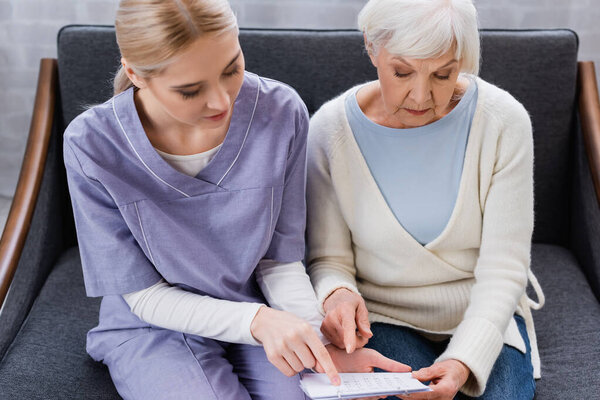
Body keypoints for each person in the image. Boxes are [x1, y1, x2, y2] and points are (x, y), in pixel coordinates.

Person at [63, 1, 409, 399]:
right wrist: (257, 321)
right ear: (135, 74)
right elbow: (144, 295)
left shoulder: (281, 112)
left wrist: (321, 343)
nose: (222, 102)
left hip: (266, 311)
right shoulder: (92, 145)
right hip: (157, 326)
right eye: (190, 90)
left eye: (231, 69)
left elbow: (279, 259)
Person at [306, 0, 545, 399]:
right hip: (382, 316)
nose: (421, 96)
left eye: (443, 74)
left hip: (485, 313)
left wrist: (464, 359)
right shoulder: (329, 132)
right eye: (402, 72)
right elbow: (328, 260)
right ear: (371, 47)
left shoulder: (504, 122)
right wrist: (337, 294)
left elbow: (505, 268)